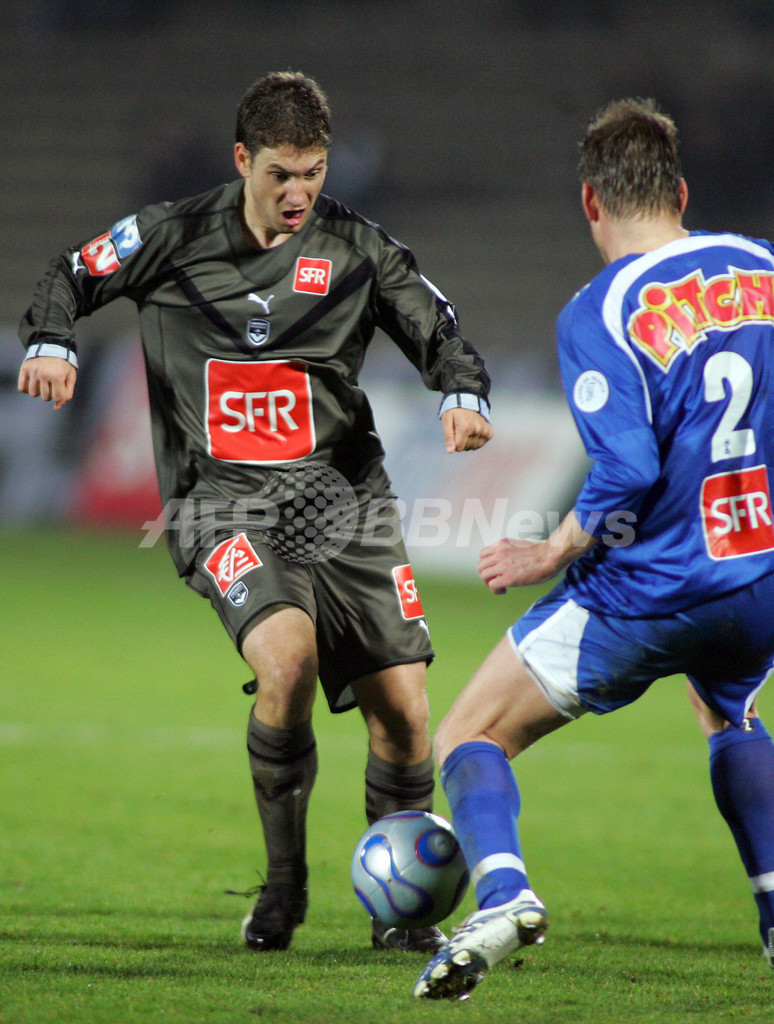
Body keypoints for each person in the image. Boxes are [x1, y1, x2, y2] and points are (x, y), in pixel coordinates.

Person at [17, 70, 493, 954]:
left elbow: (437, 325)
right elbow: (71, 274)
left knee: (407, 711)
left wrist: (464, 392)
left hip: (344, 503)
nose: (299, 192)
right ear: (244, 160)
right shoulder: (171, 235)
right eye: (281, 172)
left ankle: (400, 916)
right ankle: (284, 889)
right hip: (220, 505)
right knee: (288, 657)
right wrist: (51, 337)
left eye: (312, 172)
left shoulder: (355, 247)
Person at [413, 97, 774, 1001]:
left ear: (590, 204)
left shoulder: (600, 310)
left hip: (652, 590)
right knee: (727, 711)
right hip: (759, 578)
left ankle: (502, 895)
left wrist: (552, 549)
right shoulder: (764, 268)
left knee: (467, 731)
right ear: (681, 191)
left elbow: (627, 466)